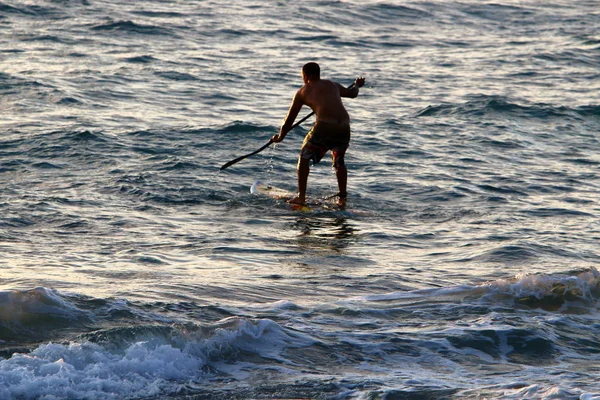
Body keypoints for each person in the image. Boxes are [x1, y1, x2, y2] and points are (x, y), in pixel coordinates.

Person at [271, 62, 365, 207]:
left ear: (305, 75)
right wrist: (357, 85)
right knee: (339, 160)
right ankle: (342, 198)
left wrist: (280, 137)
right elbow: (352, 93)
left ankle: (301, 197)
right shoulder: (332, 85)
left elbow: (289, 119)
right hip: (344, 125)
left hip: (325, 126)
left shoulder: (303, 91)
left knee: (304, 157)